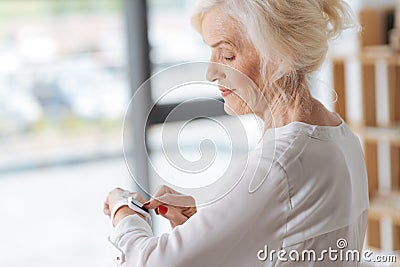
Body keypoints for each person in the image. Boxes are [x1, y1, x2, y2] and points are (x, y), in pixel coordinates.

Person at [103, 0, 369, 266]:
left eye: (227, 55)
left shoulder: (275, 168)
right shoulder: (342, 137)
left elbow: (152, 262)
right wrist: (208, 234)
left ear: (279, 54)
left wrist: (124, 211)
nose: (211, 73)